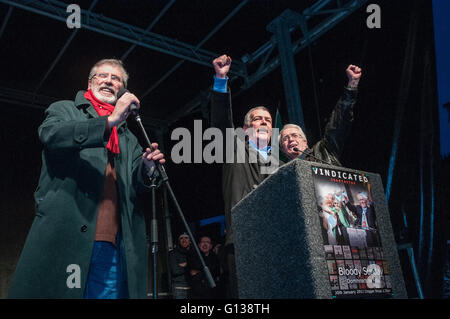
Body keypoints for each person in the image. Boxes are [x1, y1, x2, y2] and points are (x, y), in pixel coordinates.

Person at [8, 59, 165, 299]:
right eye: (102, 76)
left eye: (116, 79)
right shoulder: (66, 110)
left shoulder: (129, 137)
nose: (109, 81)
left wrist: (146, 167)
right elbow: (52, 135)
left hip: (112, 244)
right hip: (67, 236)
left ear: (123, 90)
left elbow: (135, 184)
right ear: (90, 83)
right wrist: (109, 121)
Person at [210, 54, 283, 298]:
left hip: (275, 242)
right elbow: (221, 122)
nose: (263, 122)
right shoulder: (234, 147)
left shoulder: (279, 165)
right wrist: (221, 80)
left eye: (268, 120)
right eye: (257, 118)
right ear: (244, 129)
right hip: (242, 240)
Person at [279, 64, 362, 164]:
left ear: (305, 141)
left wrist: (352, 84)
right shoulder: (282, 175)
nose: (291, 139)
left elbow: (337, 125)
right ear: (283, 150)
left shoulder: (323, 151)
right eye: (285, 139)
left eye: (294, 135)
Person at [169, 233, 192, 299]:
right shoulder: (173, 253)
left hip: (193, 286)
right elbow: (175, 270)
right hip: (179, 287)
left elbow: (198, 267)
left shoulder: (194, 252)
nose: (184, 240)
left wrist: (184, 265)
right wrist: (189, 265)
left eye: (186, 238)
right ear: (179, 241)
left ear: (190, 241)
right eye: (181, 238)